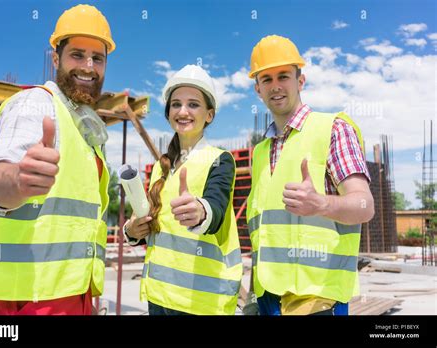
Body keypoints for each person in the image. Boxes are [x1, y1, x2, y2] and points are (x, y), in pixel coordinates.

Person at [0, 4, 116, 315]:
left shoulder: (82, 127)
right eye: (77, 55)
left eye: (98, 58)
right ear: (56, 59)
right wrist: (19, 181)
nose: (89, 66)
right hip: (28, 300)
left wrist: (85, 300)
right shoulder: (36, 104)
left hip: (71, 294)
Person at [246, 35, 375, 315]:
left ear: (300, 81)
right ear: (258, 89)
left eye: (284, 76)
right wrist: (253, 297)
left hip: (318, 300)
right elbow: (265, 232)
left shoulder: (333, 129)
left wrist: (321, 204)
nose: (275, 86)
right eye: (266, 79)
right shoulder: (259, 151)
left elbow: (365, 206)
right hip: (269, 298)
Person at [123, 65, 243, 315]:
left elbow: (217, 208)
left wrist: (201, 212)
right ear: (168, 114)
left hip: (202, 303)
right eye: (176, 104)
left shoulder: (220, 159)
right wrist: (132, 231)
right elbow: (155, 227)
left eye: (193, 104)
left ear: (209, 115)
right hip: (159, 296)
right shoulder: (160, 167)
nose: (183, 111)